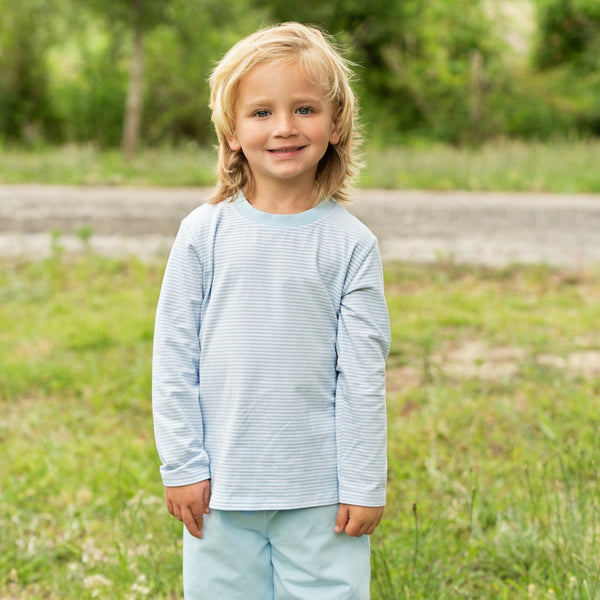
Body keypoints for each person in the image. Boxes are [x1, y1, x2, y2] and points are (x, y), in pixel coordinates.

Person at [152, 21, 391, 600]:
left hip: (321, 495)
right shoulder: (202, 234)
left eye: (305, 108)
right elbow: (174, 357)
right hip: (220, 493)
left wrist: (364, 482)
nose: (284, 127)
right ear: (231, 131)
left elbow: (362, 379)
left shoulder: (350, 244)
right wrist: (183, 466)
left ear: (335, 124)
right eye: (261, 113)